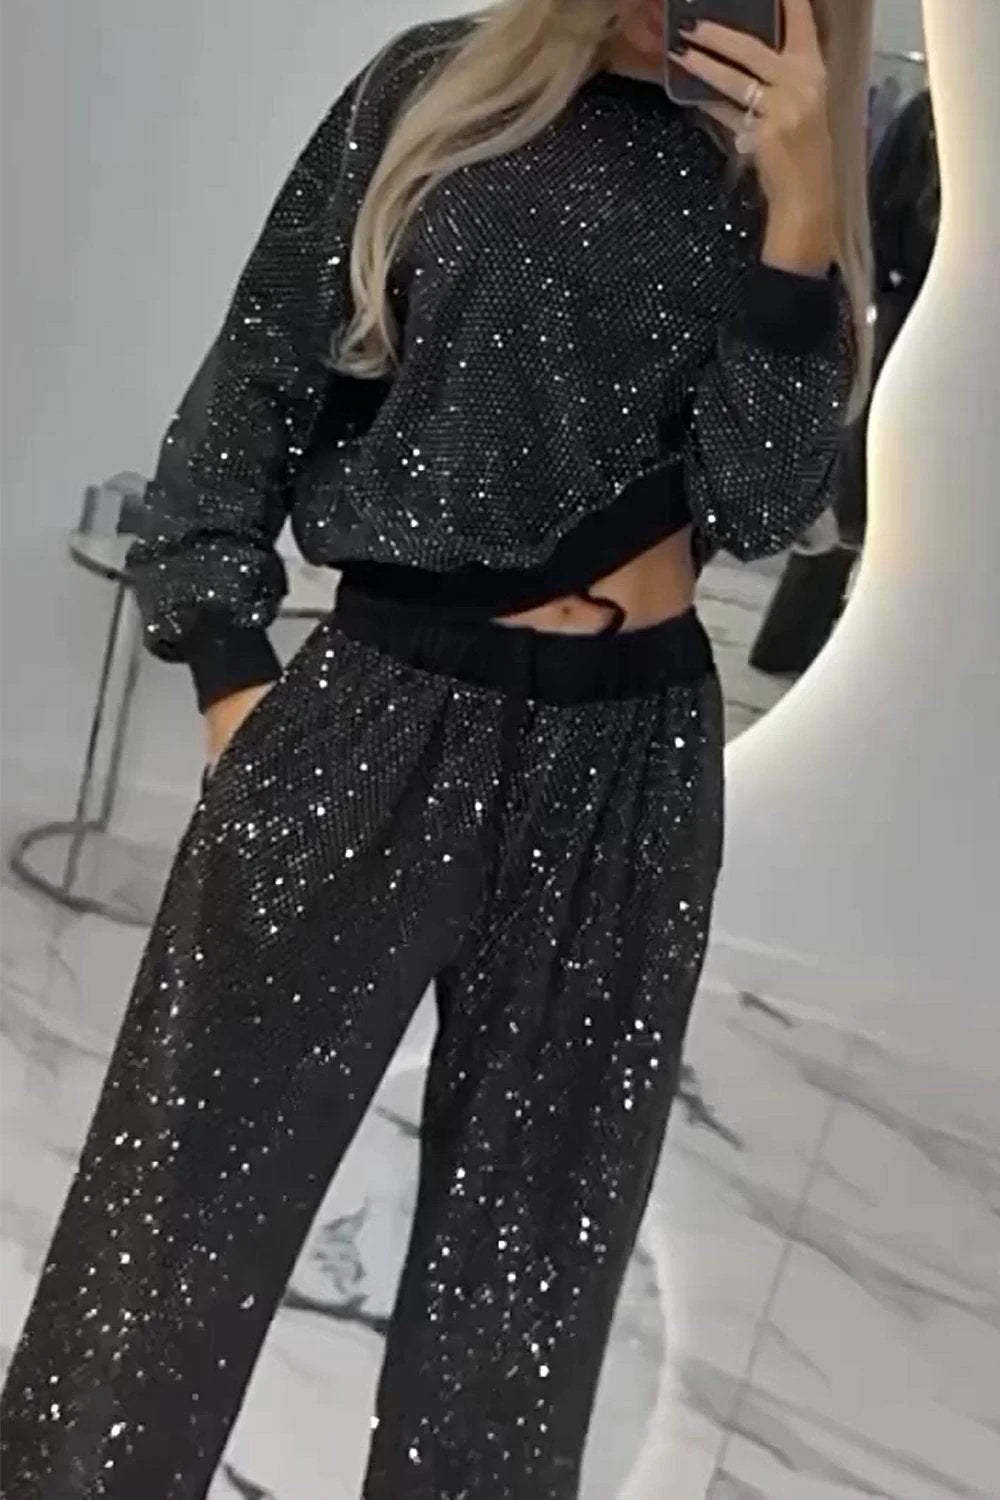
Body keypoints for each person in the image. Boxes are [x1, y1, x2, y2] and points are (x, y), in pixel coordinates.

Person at [0, 1, 872, 1494]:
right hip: (381, 706)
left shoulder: (779, 163)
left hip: (632, 763)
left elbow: (754, 506)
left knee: (526, 1279)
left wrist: (801, 222)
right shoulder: (436, 85)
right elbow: (256, 379)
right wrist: (229, 670)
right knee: (175, 1216)